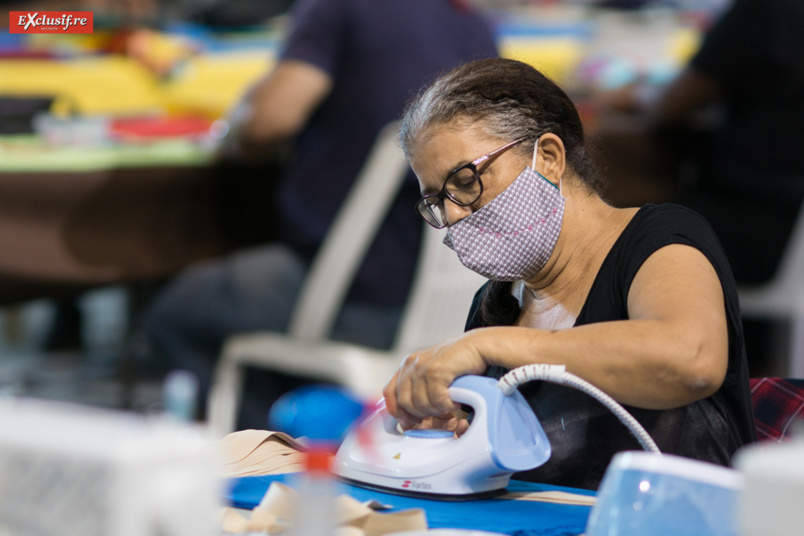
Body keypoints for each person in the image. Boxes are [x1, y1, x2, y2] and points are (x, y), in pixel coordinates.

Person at [383, 57, 756, 491]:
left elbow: (690, 361)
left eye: (465, 181)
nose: (451, 214)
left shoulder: (659, 241)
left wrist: (487, 344)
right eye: (436, 200)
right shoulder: (497, 305)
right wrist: (449, 436)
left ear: (549, 157)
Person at [141, 0, 498, 429]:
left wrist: (237, 124)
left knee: (175, 311)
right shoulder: (471, 21)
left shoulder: (337, 7)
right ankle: (294, 443)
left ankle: (259, 459)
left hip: (355, 298)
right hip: (456, 308)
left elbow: (268, 122)